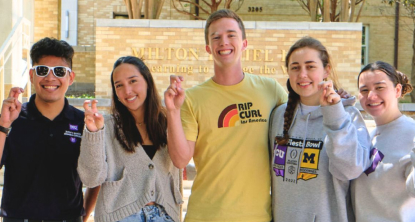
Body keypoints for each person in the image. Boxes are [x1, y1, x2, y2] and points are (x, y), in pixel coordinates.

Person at [164, 9, 287, 221]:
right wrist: (173, 112)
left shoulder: (271, 90)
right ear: (208, 48)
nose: (224, 42)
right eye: (216, 37)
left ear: (244, 43)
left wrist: (333, 102)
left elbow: (302, 117)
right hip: (206, 215)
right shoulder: (191, 98)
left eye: (231, 35)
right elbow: (180, 160)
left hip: (257, 216)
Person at [269, 36, 371, 221]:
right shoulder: (279, 115)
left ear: (326, 70)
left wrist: (334, 115)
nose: (302, 74)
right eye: (295, 67)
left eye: (310, 66)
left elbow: (351, 170)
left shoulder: (348, 115)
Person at [0, 37, 99, 221]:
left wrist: (83, 215)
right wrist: (4, 126)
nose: (50, 77)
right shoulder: (11, 119)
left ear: (70, 78)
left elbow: (97, 176)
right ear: (31, 75)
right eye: (42, 70)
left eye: (59, 71)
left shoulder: (83, 122)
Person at [77, 56, 182, 222]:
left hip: (165, 215)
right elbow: (91, 179)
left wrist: (174, 111)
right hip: (120, 216)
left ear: (147, 81)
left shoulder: (169, 122)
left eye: (133, 81)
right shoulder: (106, 126)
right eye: (119, 85)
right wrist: (92, 133)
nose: (127, 91)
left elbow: (181, 163)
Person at [352, 61, 415, 221]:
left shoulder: (411, 134)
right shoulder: (368, 134)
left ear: (397, 90)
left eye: (380, 88)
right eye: (364, 90)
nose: (371, 96)